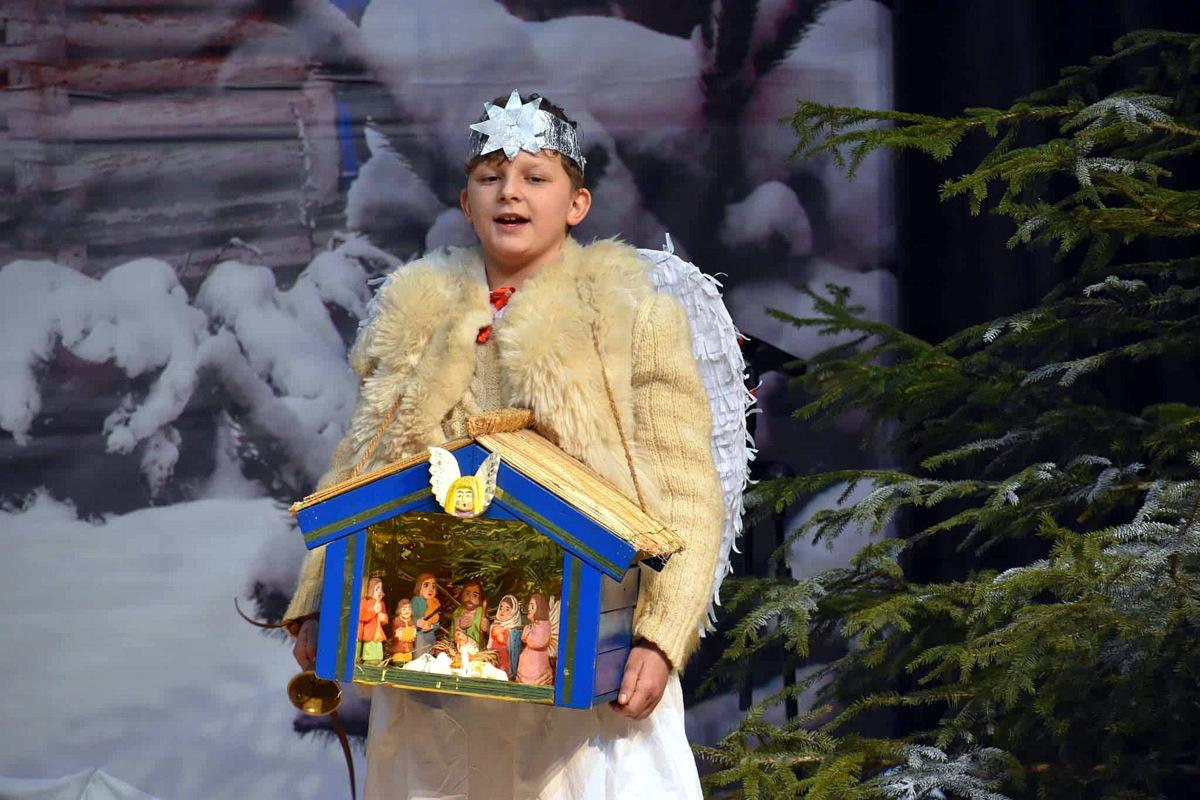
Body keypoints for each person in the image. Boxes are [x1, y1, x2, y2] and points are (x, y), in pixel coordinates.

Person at [286, 90, 723, 799]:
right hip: (438, 656)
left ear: (576, 203)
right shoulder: (416, 314)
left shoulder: (631, 316)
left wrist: (660, 635)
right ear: (466, 202)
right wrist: (317, 597)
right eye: (491, 178)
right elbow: (361, 463)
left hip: (587, 653)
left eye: (534, 177)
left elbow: (687, 491)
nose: (510, 193)